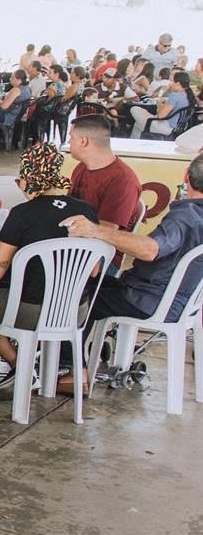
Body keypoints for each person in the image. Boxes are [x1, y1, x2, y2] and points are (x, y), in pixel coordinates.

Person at [62, 154, 203, 393]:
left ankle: (71, 371)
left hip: (150, 300)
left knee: (71, 292)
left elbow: (150, 250)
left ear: (186, 177)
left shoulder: (186, 217)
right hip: (183, 302)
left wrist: (96, 230)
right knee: (86, 282)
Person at [0, 144, 98, 390]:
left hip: (30, 311)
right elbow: (94, 271)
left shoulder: (22, 213)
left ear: (27, 175)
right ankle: (30, 366)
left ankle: (21, 365)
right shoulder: (85, 210)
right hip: (74, 311)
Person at [67, 114, 142, 232]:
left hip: (92, 242)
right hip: (73, 233)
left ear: (83, 141)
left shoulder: (123, 181)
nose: (68, 142)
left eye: (71, 137)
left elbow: (106, 231)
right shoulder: (82, 166)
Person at [132, 71, 195, 139]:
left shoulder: (175, 96)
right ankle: (135, 142)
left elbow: (160, 116)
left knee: (134, 109)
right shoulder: (188, 96)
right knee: (138, 125)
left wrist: (159, 104)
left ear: (178, 83)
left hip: (165, 127)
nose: (170, 84)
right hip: (177, 127)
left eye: (172, 81)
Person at [0, 68, 30, 151]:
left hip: (8, 117)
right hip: (17, 115)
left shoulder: (16, 90)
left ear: (18, 79)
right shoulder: (27, 88)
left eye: (12, 77)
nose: (10, 79)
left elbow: (4, 106)